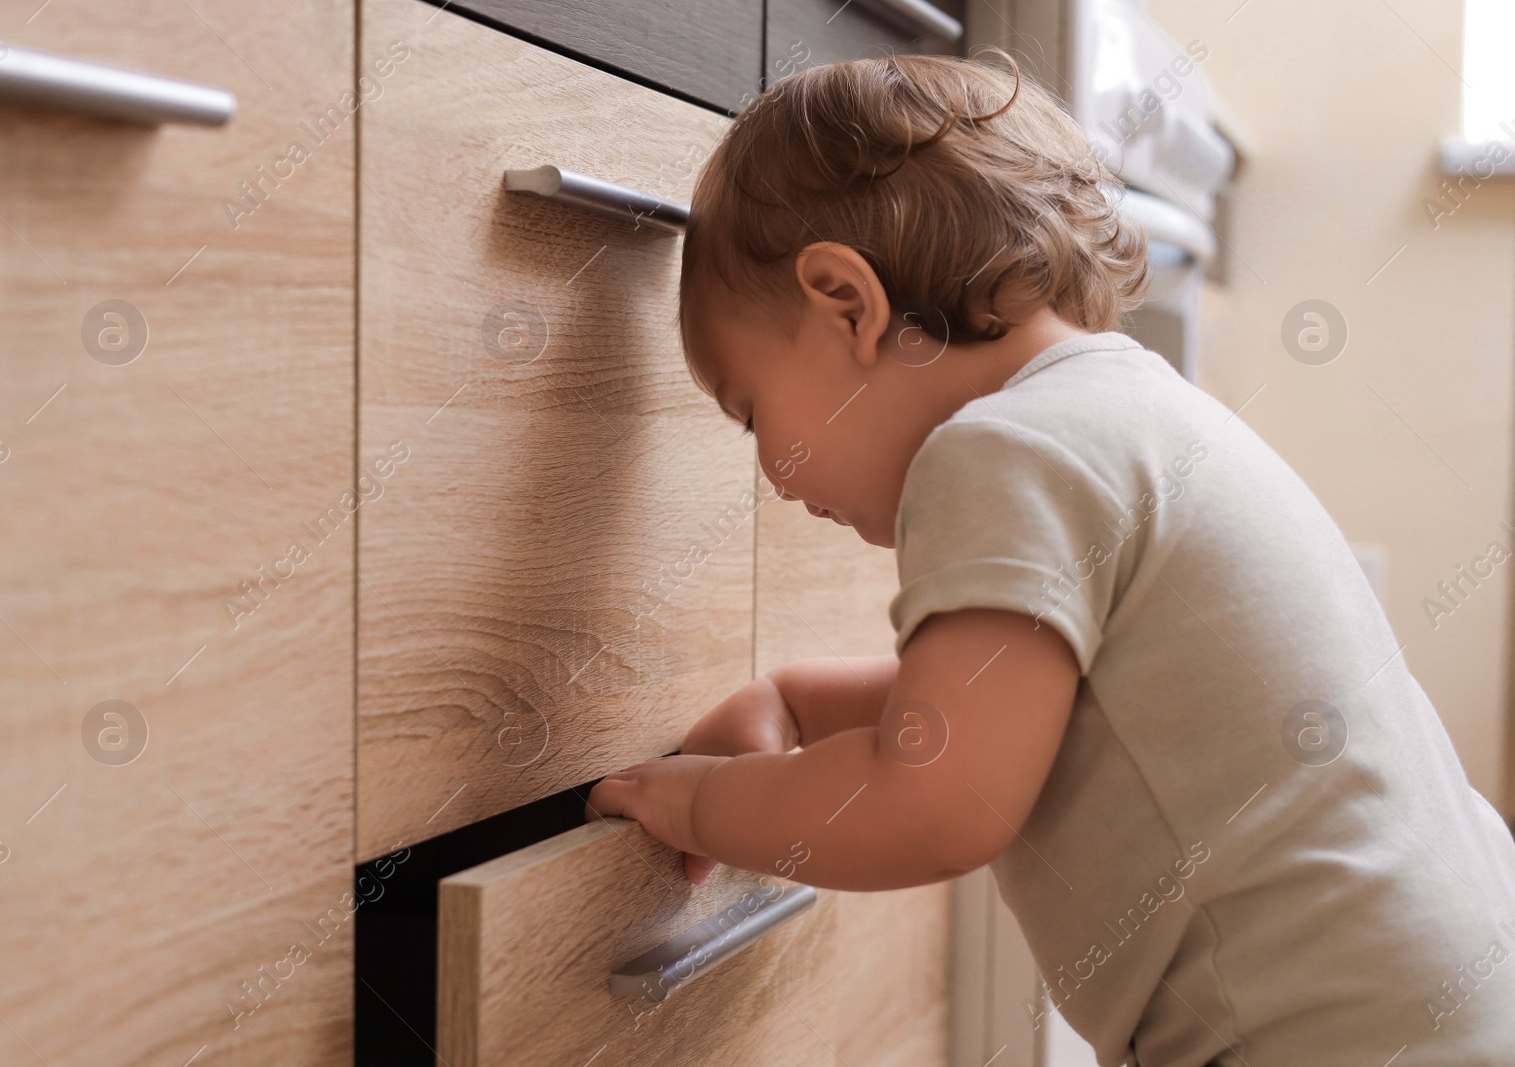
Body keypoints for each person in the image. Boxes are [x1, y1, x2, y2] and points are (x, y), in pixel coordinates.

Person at [585, 52, 1515, 1065]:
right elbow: (1060, 694)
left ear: (846, 305)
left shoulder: (997, 450)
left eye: (750, 411)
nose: (767, 469)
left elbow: (936, 798)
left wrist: (695, 800)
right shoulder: (1126, 410)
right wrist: (802, 703)